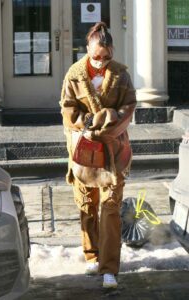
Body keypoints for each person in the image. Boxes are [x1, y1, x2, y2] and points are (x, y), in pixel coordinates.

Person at [60, 22, 136, 288]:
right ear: (87, 50)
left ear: (112, 52)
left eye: (106, 57)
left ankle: (109, 269)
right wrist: (86, 123)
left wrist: (111, 119)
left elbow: (129, 105)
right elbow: (67, 110)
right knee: (87, 205)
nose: (101, 62)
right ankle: (92, 254)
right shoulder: (74, 74)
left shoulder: (121, 75)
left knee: (111, 208)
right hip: (84, 152)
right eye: (96, 57)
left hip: (114, 152)